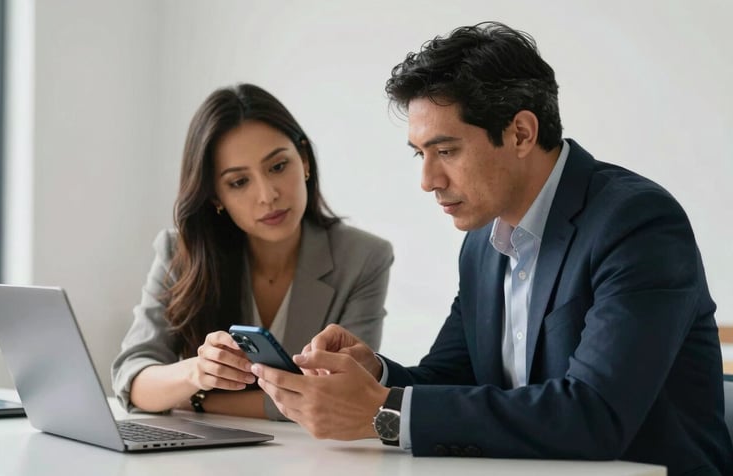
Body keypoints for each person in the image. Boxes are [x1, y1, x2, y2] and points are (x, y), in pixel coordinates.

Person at [251, 22, 733, 474]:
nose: (427, 180)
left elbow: (595, 415)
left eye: (446, 151)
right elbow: (453, 378)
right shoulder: (483, 242)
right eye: (420, 155)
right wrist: (374, 373)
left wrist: (385, 410)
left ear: (521, 132)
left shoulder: (637, 223)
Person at [111, 83, 393, 421]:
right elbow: (131, 378)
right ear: (215, 197)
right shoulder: (179, 251)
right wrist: (196, 373)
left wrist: (197, 400)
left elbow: (341, 396)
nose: (267, 195)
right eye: (238, 182)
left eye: (277, 166)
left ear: (303, 160)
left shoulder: (364, 258)